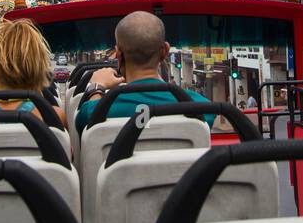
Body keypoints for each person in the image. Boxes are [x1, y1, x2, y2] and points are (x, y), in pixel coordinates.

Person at [76, 11, 214, 133]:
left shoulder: (95, 111)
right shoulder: (201, 107)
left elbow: (85, 121)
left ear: (118, 54)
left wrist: (96, 88)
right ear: (165, 50)